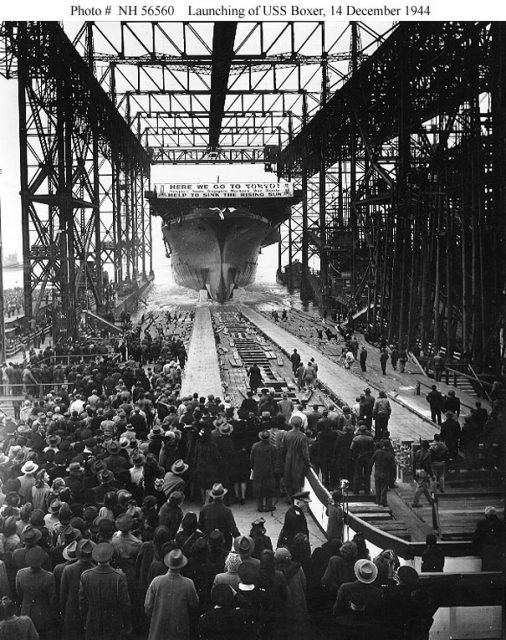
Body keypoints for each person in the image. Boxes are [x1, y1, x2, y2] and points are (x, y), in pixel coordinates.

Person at [78, 542, 131, 640]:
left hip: (92, 619)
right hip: (113, 619)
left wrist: (85, 620)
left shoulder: (85, 575)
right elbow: (125, 604)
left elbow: (82, 603)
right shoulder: (119, 576)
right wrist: (127, 624)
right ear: (110, 558)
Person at [145, 549, 199, 640]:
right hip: (179, 626)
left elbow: (148, 606)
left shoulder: (156, 581)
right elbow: (194, 603)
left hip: (159, 626)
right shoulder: (188, 583)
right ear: (181, 566)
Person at [15, 546, 57, 640]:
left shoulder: (20, 574)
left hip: (26, 611)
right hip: (43, 613)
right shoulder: (49, 577)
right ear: (42, 561)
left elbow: (19, 593)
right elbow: (53, 599)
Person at [198, 483, 240, 550]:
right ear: (222, 496)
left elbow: (200, 526)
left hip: (208, 542)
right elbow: (233, 528)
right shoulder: (227, 511)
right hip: (224, 543)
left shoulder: (204, 509)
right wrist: (239, 539)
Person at [282, 416, 310, 502]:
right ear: (301, 424)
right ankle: (296, 498)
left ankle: (289, 498)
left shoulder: (286, 434)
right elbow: (305, 452)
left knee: (288, 477)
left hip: (288, 457)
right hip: (299, 459)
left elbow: (283, 447)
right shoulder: (303, 436)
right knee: (297, 479)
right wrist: (307, 462)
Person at [250, 431, 277, 513]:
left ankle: (260, 507)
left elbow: (251, 458)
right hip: (268, 469)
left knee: (258, 487)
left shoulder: (255, 446)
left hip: (258, 469)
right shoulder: (272, 447)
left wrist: (253, 467)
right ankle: (269, 506)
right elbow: (274, 458)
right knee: (269, 487)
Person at [471, 506, 505, 571]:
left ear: (486, 515)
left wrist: (477, 550)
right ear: (495, 514)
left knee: (487, 571)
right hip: (499, 552)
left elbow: (476, 538)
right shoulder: (501, 524)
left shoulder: (482, 524)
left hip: (486, 552)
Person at [369, 440, 396, 507]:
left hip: (377, 472)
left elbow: (371, 461)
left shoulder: (377, 452)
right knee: (384, 488)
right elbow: (393, 467)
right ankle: (383, 501)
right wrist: (393, 478)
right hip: (385, 473)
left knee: (377, 487)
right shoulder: (390, 455)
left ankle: (377, 501)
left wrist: (369, 470)